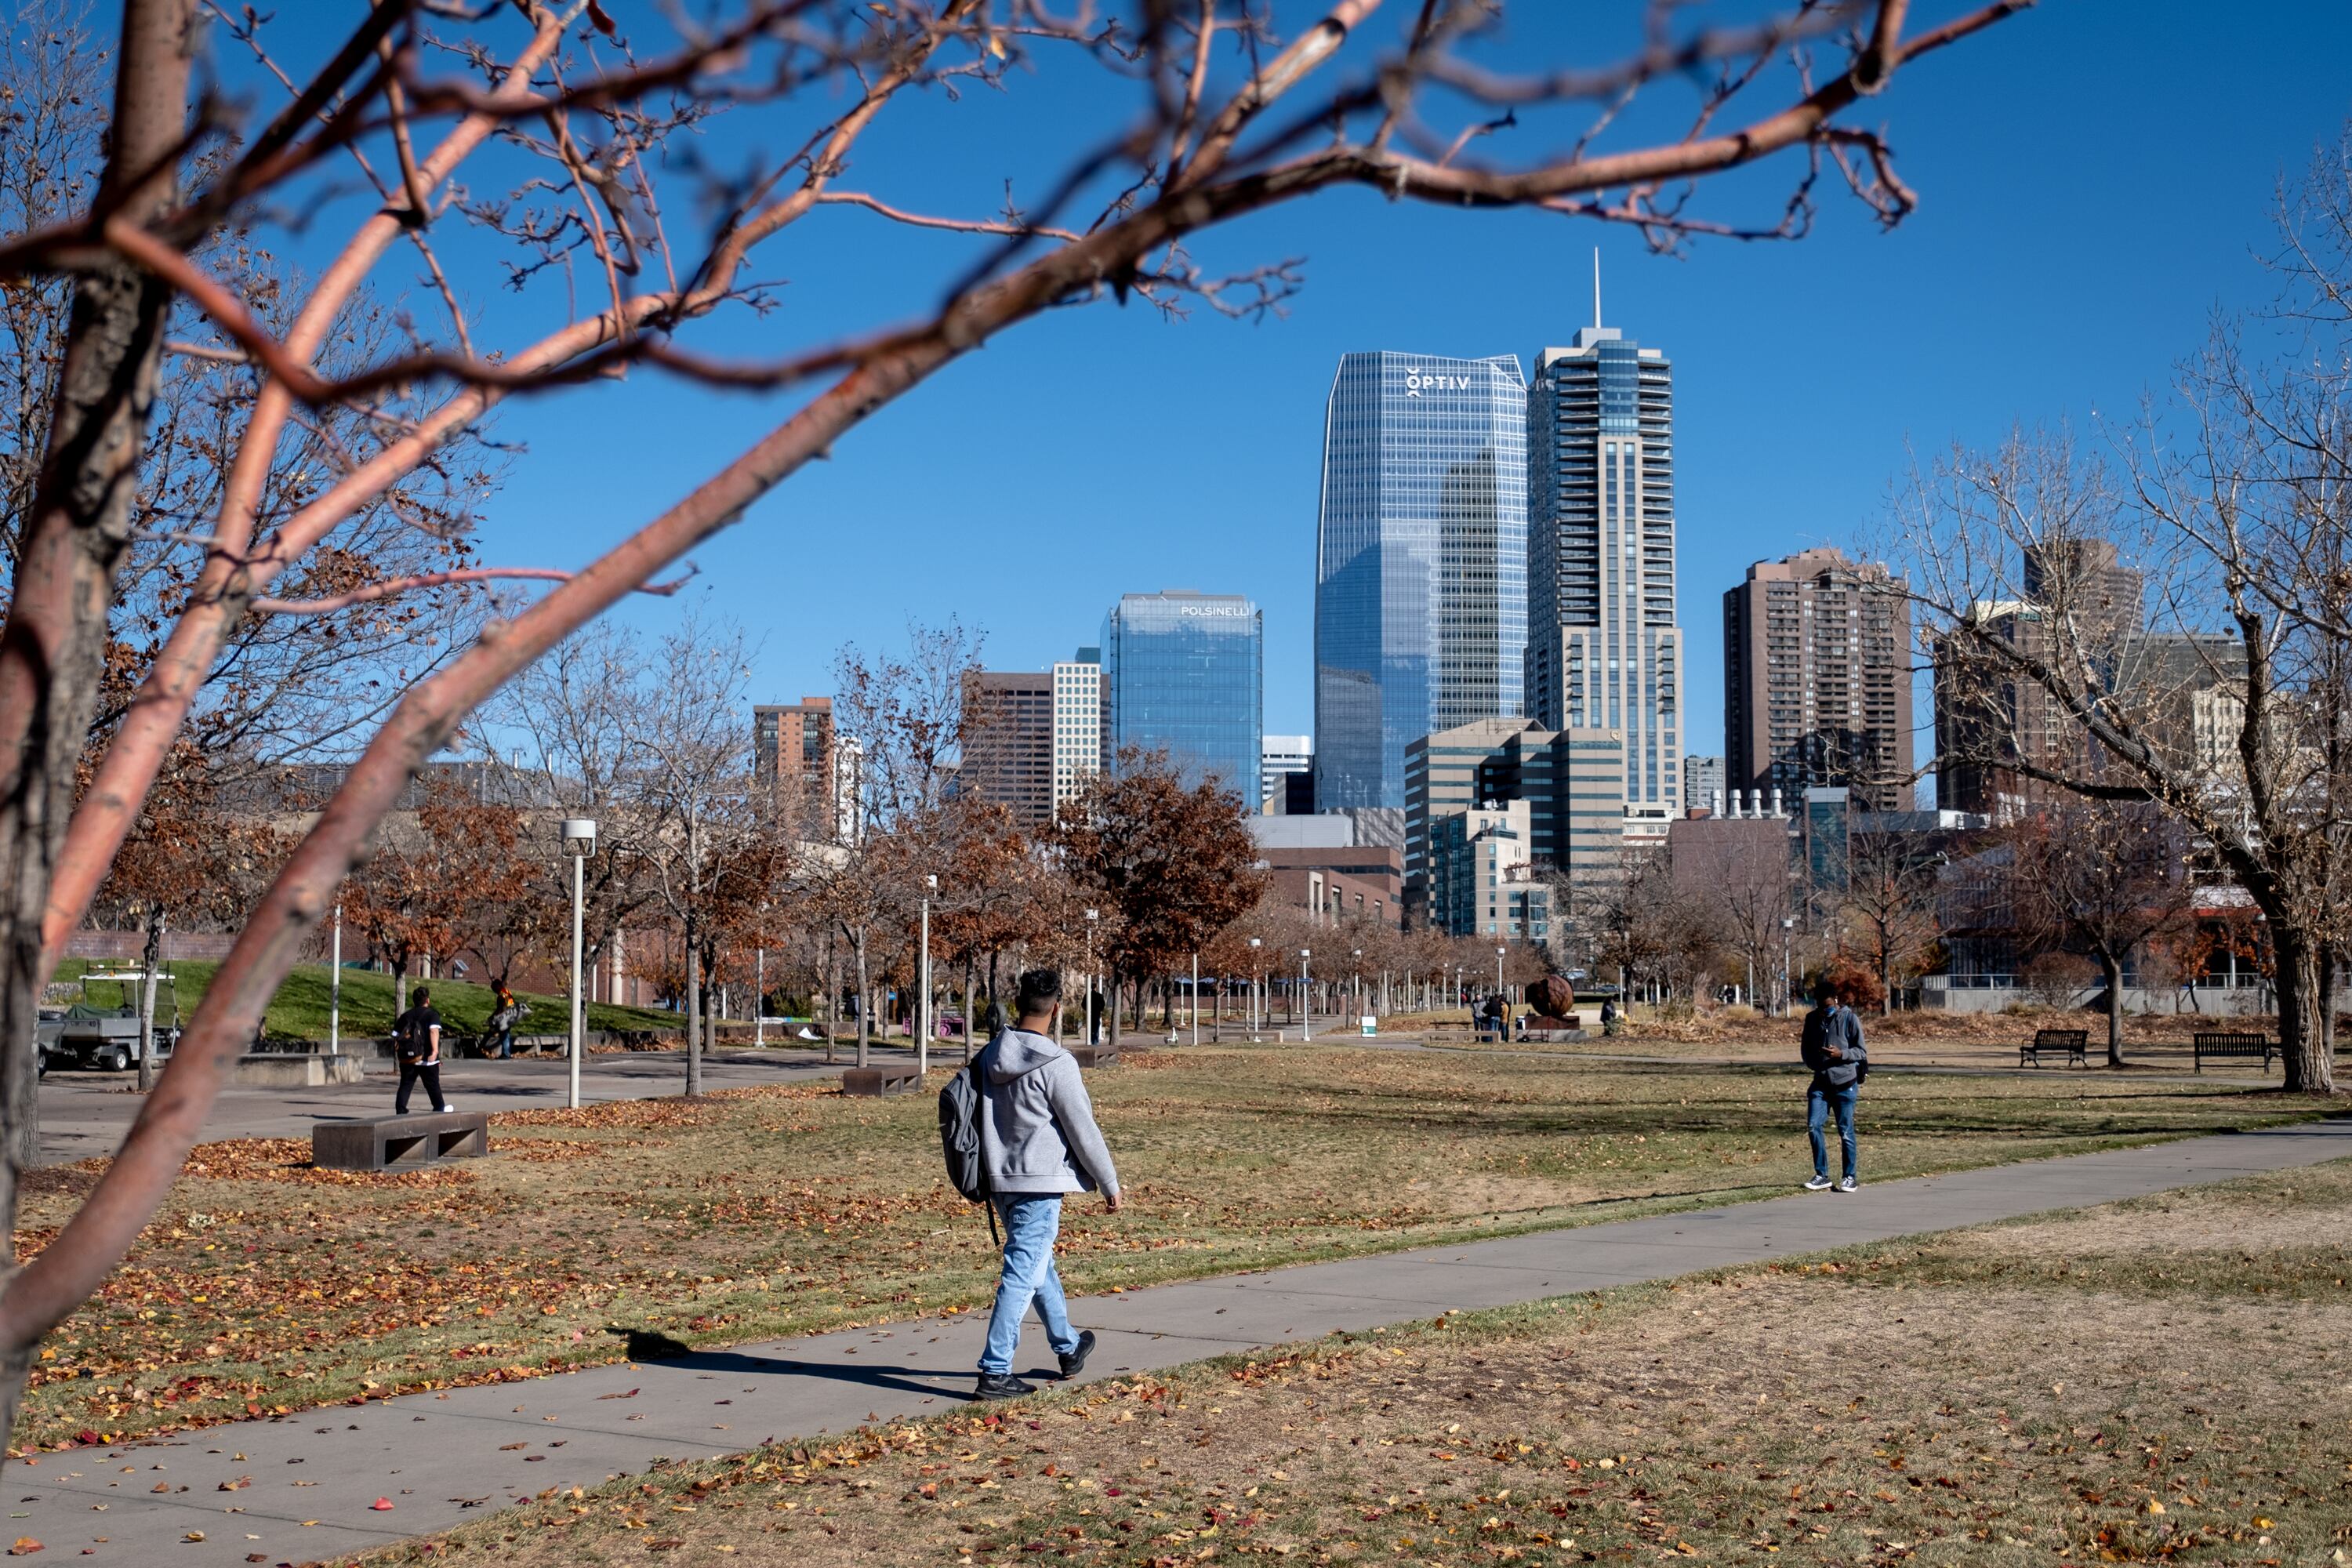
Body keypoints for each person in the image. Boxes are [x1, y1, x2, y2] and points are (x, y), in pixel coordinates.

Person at [974, 967, 1121, 1400]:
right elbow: (1083, 1129)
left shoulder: (988, 1055)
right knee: (1022, 1272)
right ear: (1056, 1009)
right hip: (1038, 1181)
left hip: (1000, 1180)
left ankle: (1069, 1347)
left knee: (1037, 1264)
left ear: (1018, 1004)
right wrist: (1108, 1181)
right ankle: (995, 1371)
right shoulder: (1057, 1063)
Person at [1799, 980, 1867, 1192]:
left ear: (1835, 1001)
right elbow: (1806, 1049)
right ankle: (1822, 1175)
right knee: (1813, 1125)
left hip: (1845, 1083)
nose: (1825, 1010)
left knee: (1845, 1131)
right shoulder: (1812, 1019)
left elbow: (1861, 1051)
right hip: (1821, 1083)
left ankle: (1849, 1176)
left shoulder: (1849, 1018)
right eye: (1821, 1006)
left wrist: (1841, 1055)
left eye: (1828, 1006)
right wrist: (1815, 1063)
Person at [393, 986, 455, 1116]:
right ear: (428, 1000)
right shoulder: (432, 1014)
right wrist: (435, 1051)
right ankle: (439, 1107)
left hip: (408, 1059)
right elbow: (433, 1031)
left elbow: (395, 1035)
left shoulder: (406, 1016)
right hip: (426, 1058)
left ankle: (401, 1109)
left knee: (406, 1084)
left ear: (414, 1000)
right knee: (432, 1084)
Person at [489, 982, 519, 1060]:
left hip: (506, 1017)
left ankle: (506, 1054)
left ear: (498, 986)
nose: (494, 991)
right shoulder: (507, 992)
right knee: (505, 1035)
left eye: (494, 988)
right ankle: (506, 1053)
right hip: (510, 1016)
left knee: (505, 1035)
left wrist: (497, 1016)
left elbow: (502, 1007)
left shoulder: (503, 994)